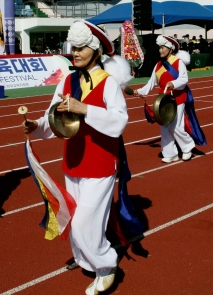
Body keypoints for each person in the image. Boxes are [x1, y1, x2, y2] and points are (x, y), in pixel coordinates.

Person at [23, 20, 134, 295]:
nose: (75, 52)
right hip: (72, 160)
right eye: (74, 47)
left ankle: (107, 266)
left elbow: (119, 122)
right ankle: (86, 259)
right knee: (75, 218)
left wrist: (84, 108)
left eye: (82, 47)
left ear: (96, 50)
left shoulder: (108, 83)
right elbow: (53, 117)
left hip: (100, 163)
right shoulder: (67, 79)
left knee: (86, 221)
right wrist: (35, 126)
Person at [134, 35, 206, 163]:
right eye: (159, 48)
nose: (160, 50)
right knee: (165, 126)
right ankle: (170, 153)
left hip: (178, 98)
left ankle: (187, 148)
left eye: (163, 48)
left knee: (176, 126)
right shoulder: (157, 65)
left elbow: (184, 79)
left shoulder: (178, 63)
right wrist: (139, 92)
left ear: (170, 49)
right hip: (163, 100)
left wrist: (174, 84)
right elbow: (151, 83)